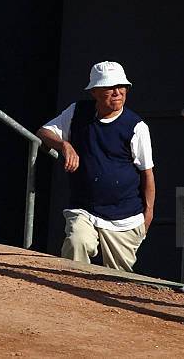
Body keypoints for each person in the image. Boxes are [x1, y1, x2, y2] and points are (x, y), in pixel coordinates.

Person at [36, 61, 155, 272]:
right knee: (76, 242)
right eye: (110, 87)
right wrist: (65, 145)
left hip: (124, 217)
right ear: (95, 92)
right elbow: (44, 132)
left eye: (122, 86)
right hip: (84, 208)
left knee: (119, 280)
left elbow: (147, 173)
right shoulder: (77, 112)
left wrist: (148, 216)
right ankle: (69, 296)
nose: (117, 92)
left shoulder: (137, 127)